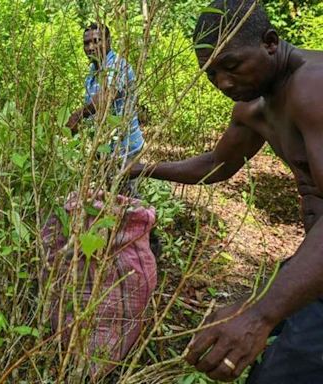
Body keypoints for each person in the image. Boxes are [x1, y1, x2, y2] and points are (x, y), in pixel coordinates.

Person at [130, 1, 323, 382]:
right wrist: (140, 168)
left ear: (270, 42)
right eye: (211, 73)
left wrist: (261, 313)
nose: (223, 84)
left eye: (231, 67)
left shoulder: (313, 88)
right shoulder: (256, 106)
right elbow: (217, 165)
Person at [67, 22, 145, 171]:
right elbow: (94, 112)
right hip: (106, 149)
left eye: (96, 41)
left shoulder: (118, 65)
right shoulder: (92, 70)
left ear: (108, 42)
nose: (90, 48)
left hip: (125, 149)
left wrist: (78, 115)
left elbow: (106, 97)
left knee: (125, 192)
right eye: (86, 43)